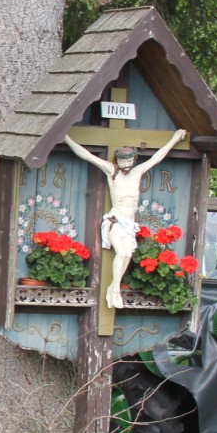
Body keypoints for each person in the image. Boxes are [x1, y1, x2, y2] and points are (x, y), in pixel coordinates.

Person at [63, 128, 187, 308]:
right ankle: (114, 291)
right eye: (123, 160)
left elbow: (156, 158)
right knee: (121, 253)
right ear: (117, 160)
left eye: (129, 160)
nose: (126, 163)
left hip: (129, 223)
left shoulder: (137, 173)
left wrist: (174, 139)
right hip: (115, 220)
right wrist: (66, 138)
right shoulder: (112, 171)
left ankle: (114, 288)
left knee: (128, 254)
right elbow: (87, 155)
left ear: (134, 160)